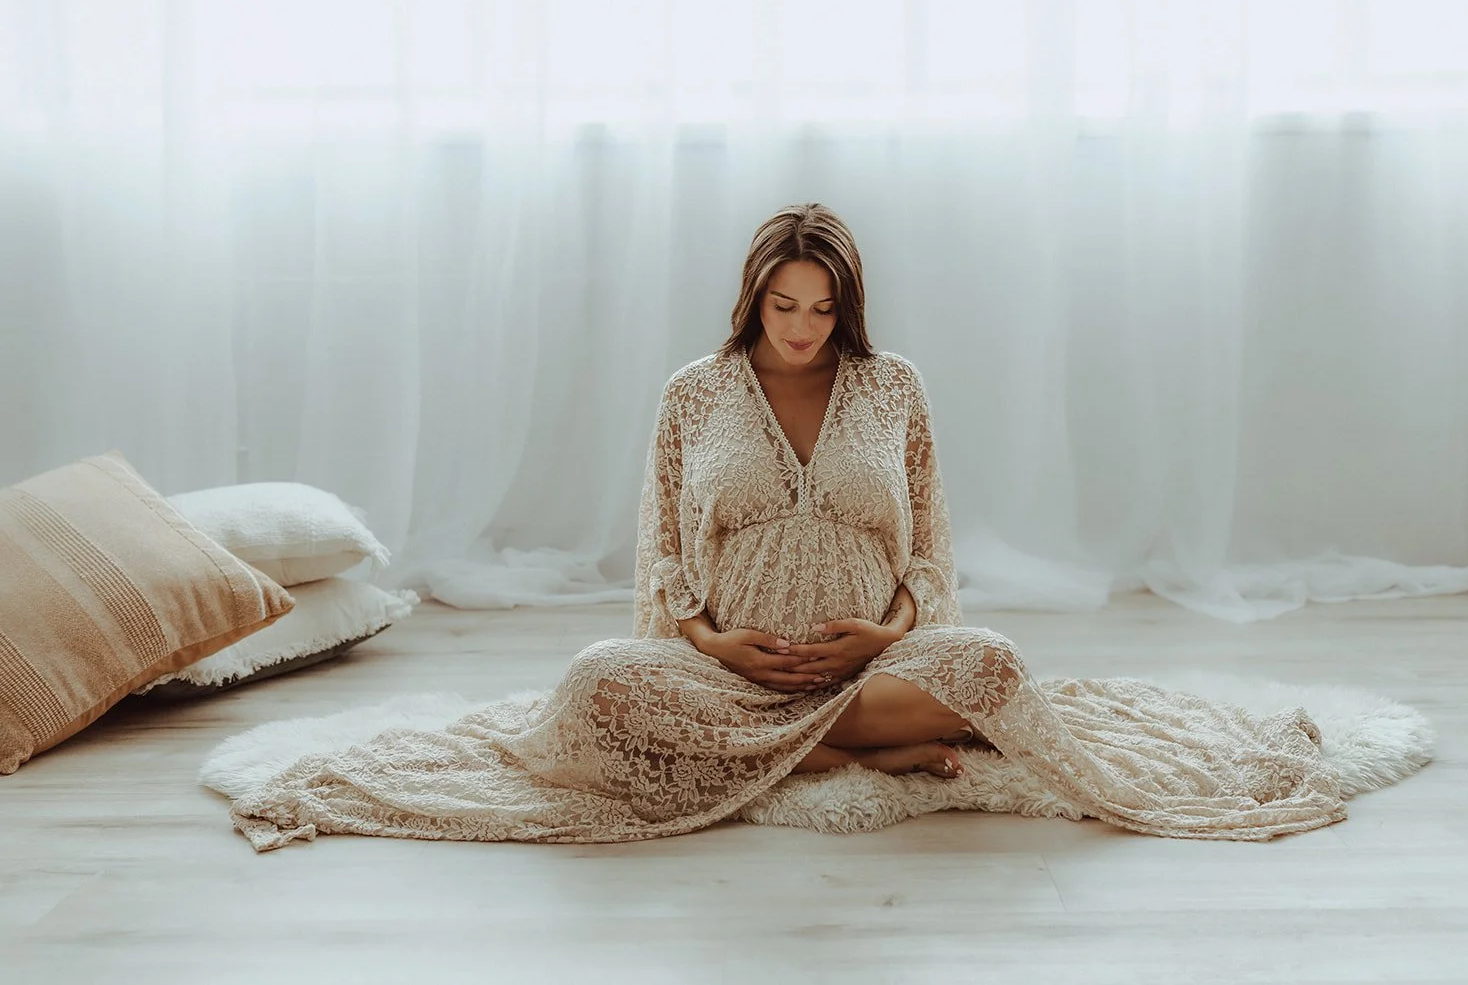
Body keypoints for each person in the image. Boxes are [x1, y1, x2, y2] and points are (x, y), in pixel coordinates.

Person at [226, 204, 1347, 851]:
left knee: (995, 666)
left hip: (876, 662)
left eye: (822, 306)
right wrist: (713, 645)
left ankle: (847, 733)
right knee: (594, 684)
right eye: (783, 304)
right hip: (730, 674)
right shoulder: (694, 393)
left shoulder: (893, 385)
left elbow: (929, 547)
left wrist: (885, 631)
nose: (803, 326)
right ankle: (854, 751)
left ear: (844, 304)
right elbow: (665, 552)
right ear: (753, 297)